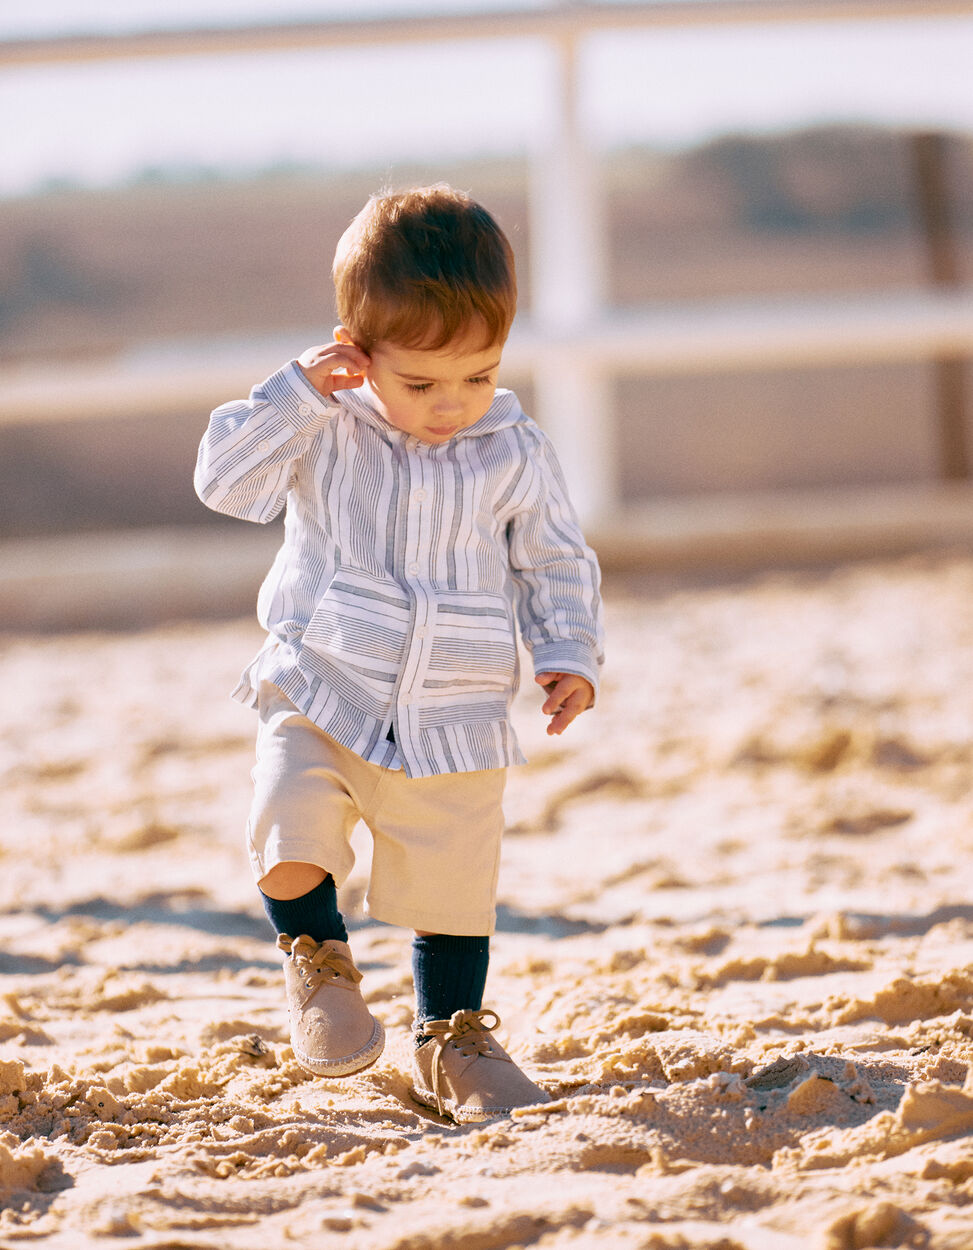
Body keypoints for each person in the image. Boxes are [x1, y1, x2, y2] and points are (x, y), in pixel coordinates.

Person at [194, 185, 604, 1123]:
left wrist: (568, 649)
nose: (452, 404)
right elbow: (225, 483)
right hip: (322, 682)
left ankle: (451, 1038)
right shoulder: (323, 423)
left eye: (479, 373)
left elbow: (552, 557)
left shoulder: (513, 447)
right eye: (420, 382)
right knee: (289, 825)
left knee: (455, 881)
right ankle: (319, 962)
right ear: (357, 346)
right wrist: (296, 392)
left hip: (455, 709)